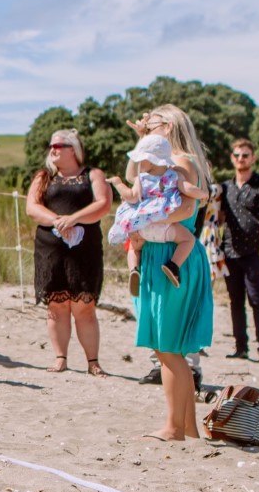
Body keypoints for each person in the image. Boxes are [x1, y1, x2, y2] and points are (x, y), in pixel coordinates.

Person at [128, 105, 214, 441]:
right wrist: (141, 144)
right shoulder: (165, 159)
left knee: (167, 347)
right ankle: (188, 428)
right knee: (169, 346)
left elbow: (187, 208)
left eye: (150, 123)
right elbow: (136, 184)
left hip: (171, 252)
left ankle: (173, 427)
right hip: (158, 251)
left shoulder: (180, 161)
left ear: (169, 125)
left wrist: (146, 221)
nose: (145, 125)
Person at [26, 129, 111, 375]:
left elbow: (103, 204)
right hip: (50, 248)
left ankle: (93, 362)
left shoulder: (93, 174)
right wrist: (58, 221)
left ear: (73, 149)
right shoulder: (44, 177)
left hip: (85, 249)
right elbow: (32, 207)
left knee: (84, 306)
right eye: (50, 145)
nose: (52, 149)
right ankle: (60, 357)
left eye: (59, 145)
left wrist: (74, 219)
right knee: (57, 304)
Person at [108, 134, 208, 288]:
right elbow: (187, 189)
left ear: (150, 159)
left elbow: (132, 197)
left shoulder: (140, 179)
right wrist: (203, 194)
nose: (139, 163)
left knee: (134, 247)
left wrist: (118, 184)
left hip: (142, 227)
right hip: (164, 225)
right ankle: (173, 266)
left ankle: (134, 269)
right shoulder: (174, 175)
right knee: (188, 240)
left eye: (141, 159)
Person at [219, 139, 259, 361]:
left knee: (257, 300)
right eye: (237, 155)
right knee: (235, 301)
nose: (241, 159)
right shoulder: (225, 188)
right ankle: (240, 347)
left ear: (253, 158)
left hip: (253, 252)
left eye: (245, 155)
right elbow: (219, 218)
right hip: (230, 251)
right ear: (232, 158)